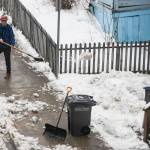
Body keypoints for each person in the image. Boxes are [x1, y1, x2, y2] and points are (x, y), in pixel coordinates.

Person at [0, 15, 15, 79]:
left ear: (6, 21)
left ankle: (8, 73)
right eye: (2, 21)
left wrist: (13, 44)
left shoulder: (9, 28)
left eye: (5, 21)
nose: (3, 22)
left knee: (7, 60)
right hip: (0, 44)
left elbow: (12, 37)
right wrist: (0, 38)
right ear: (1, 21)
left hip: (7, 46)